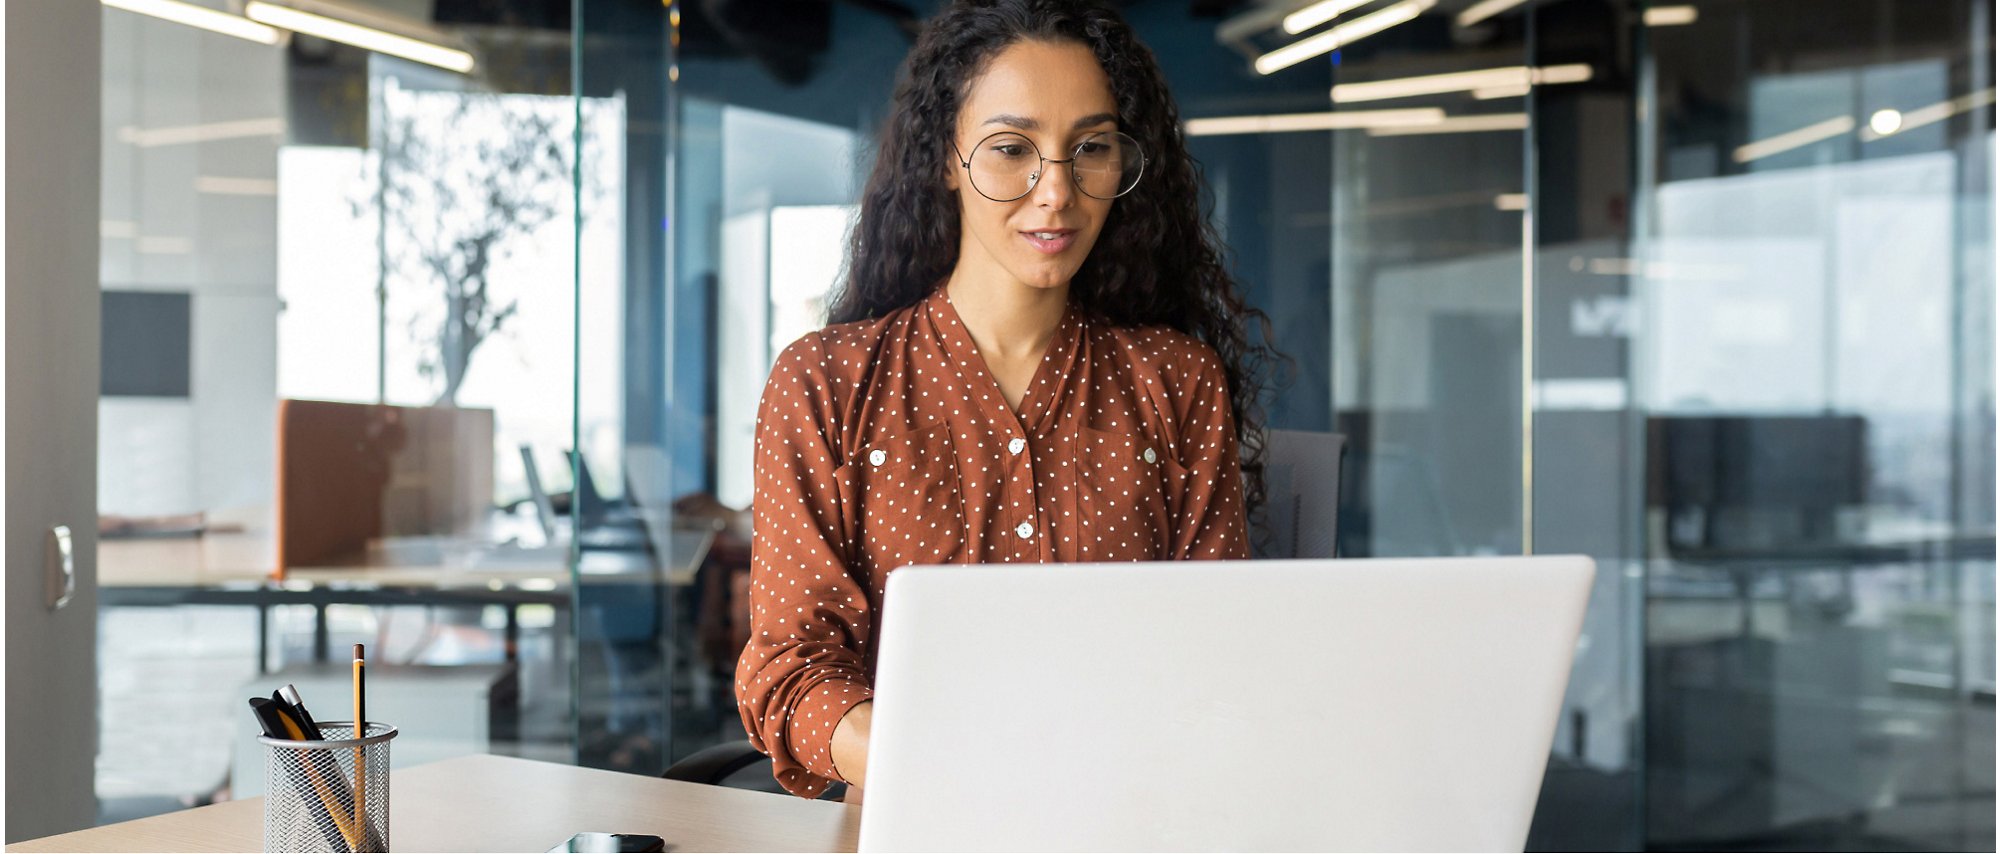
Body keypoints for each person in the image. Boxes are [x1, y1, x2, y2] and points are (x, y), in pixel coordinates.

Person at [734, 0, 1281, 805]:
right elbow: (790, 668)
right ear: (947, 159)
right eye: (1011, 149)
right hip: (911, 821)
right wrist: (938, 760)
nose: (1055, 191)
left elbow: (1217, 656)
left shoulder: (1178, 383)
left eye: (1089, 149)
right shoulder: (826, 383)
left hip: (1128, 820)